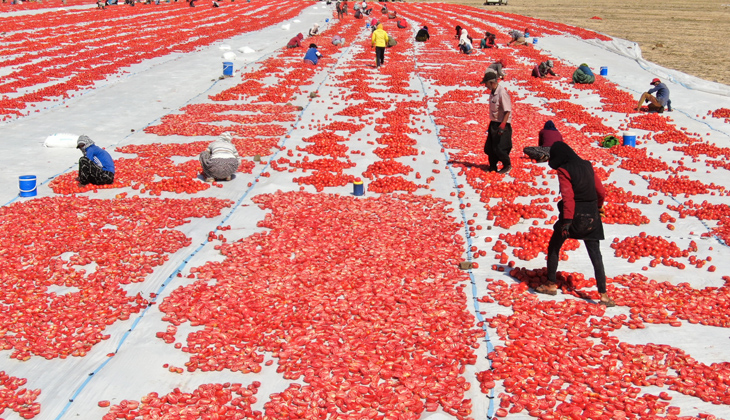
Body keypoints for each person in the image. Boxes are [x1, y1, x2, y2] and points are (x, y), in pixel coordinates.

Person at [536, 142, 615, 308]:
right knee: (596, 255)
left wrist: (567, 222)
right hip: (592, 216)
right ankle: (604, 295)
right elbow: (601, 191)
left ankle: (551, 284)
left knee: (554, 246)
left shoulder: (564, 170)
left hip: (575, 215)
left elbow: (568, 197)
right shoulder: (587, 165)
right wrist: (598, 207)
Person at [481, 72, 512, 174]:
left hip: (502, 124)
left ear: (491, 82)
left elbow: (507, 110)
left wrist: (503, 125)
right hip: (494, 123)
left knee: (500, 148)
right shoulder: (493, 92)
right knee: (490, 148)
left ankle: (507, 165)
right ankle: (493, 167)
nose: (485, 85)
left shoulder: (502, 93)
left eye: (486, 83)